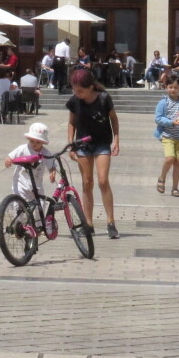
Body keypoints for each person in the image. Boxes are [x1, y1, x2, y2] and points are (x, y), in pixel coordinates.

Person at [66, 68, 121, 239]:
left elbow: (114, 119)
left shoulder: (104, 98)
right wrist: (71, 144)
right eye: (75, 90)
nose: (77, 93)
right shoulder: (75, 101)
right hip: (82, 145)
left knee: (103, 181)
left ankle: (110, 222)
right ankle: (88, 224)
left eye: (80, 91)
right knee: (87, 182)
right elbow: (71, 123)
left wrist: (116, 140)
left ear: (90, 87)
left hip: (102, 143)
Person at [153, 73, 179, 197]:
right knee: (170, 158)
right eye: (170, 87)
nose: (173, 90)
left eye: (176, 87)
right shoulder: (163, 103)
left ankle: (175, 188)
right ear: (166, 88)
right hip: (167, 135)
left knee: (178, 162)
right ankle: (162, 177)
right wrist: (171, 122)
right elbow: (158, 118)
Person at [5, 121, 56, 204]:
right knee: (19, 204)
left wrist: (52, 172)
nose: (34, 144)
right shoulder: (22, 149)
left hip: (36, 185)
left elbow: (52, 165)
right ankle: (18, 211)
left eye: (38, 142)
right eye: (32, 141)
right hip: (21, 183)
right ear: (28, 139)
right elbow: (10, 156)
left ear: (43, 142)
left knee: (40, 205)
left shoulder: (45, 153)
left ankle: (38, 212)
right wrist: (8, 161)